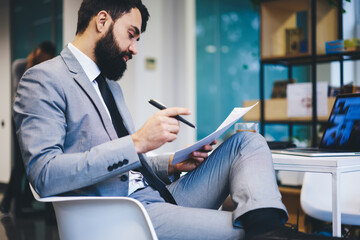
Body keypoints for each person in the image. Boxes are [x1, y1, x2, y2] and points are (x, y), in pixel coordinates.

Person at [12, 1, 339, 239]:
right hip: (126, 212)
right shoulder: (44, 79)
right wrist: (138, 140)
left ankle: (264, 219)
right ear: (101, 21)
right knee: (250, 233)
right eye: (132, 34)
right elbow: (44, 175)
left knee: (247, 141)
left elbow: (129, 163)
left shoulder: (109, 84)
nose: (135, 48)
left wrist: (172, 162)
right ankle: (267, 230)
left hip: (162, 193)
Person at [0, 41, 56, 216]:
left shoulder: (48, 69)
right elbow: (23, 90)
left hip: (38, 119)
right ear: (39, 51)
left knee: (31, 162)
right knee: (20, 163)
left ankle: (22, 201)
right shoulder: (20, 65)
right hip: (20, 119)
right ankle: (9, 202)